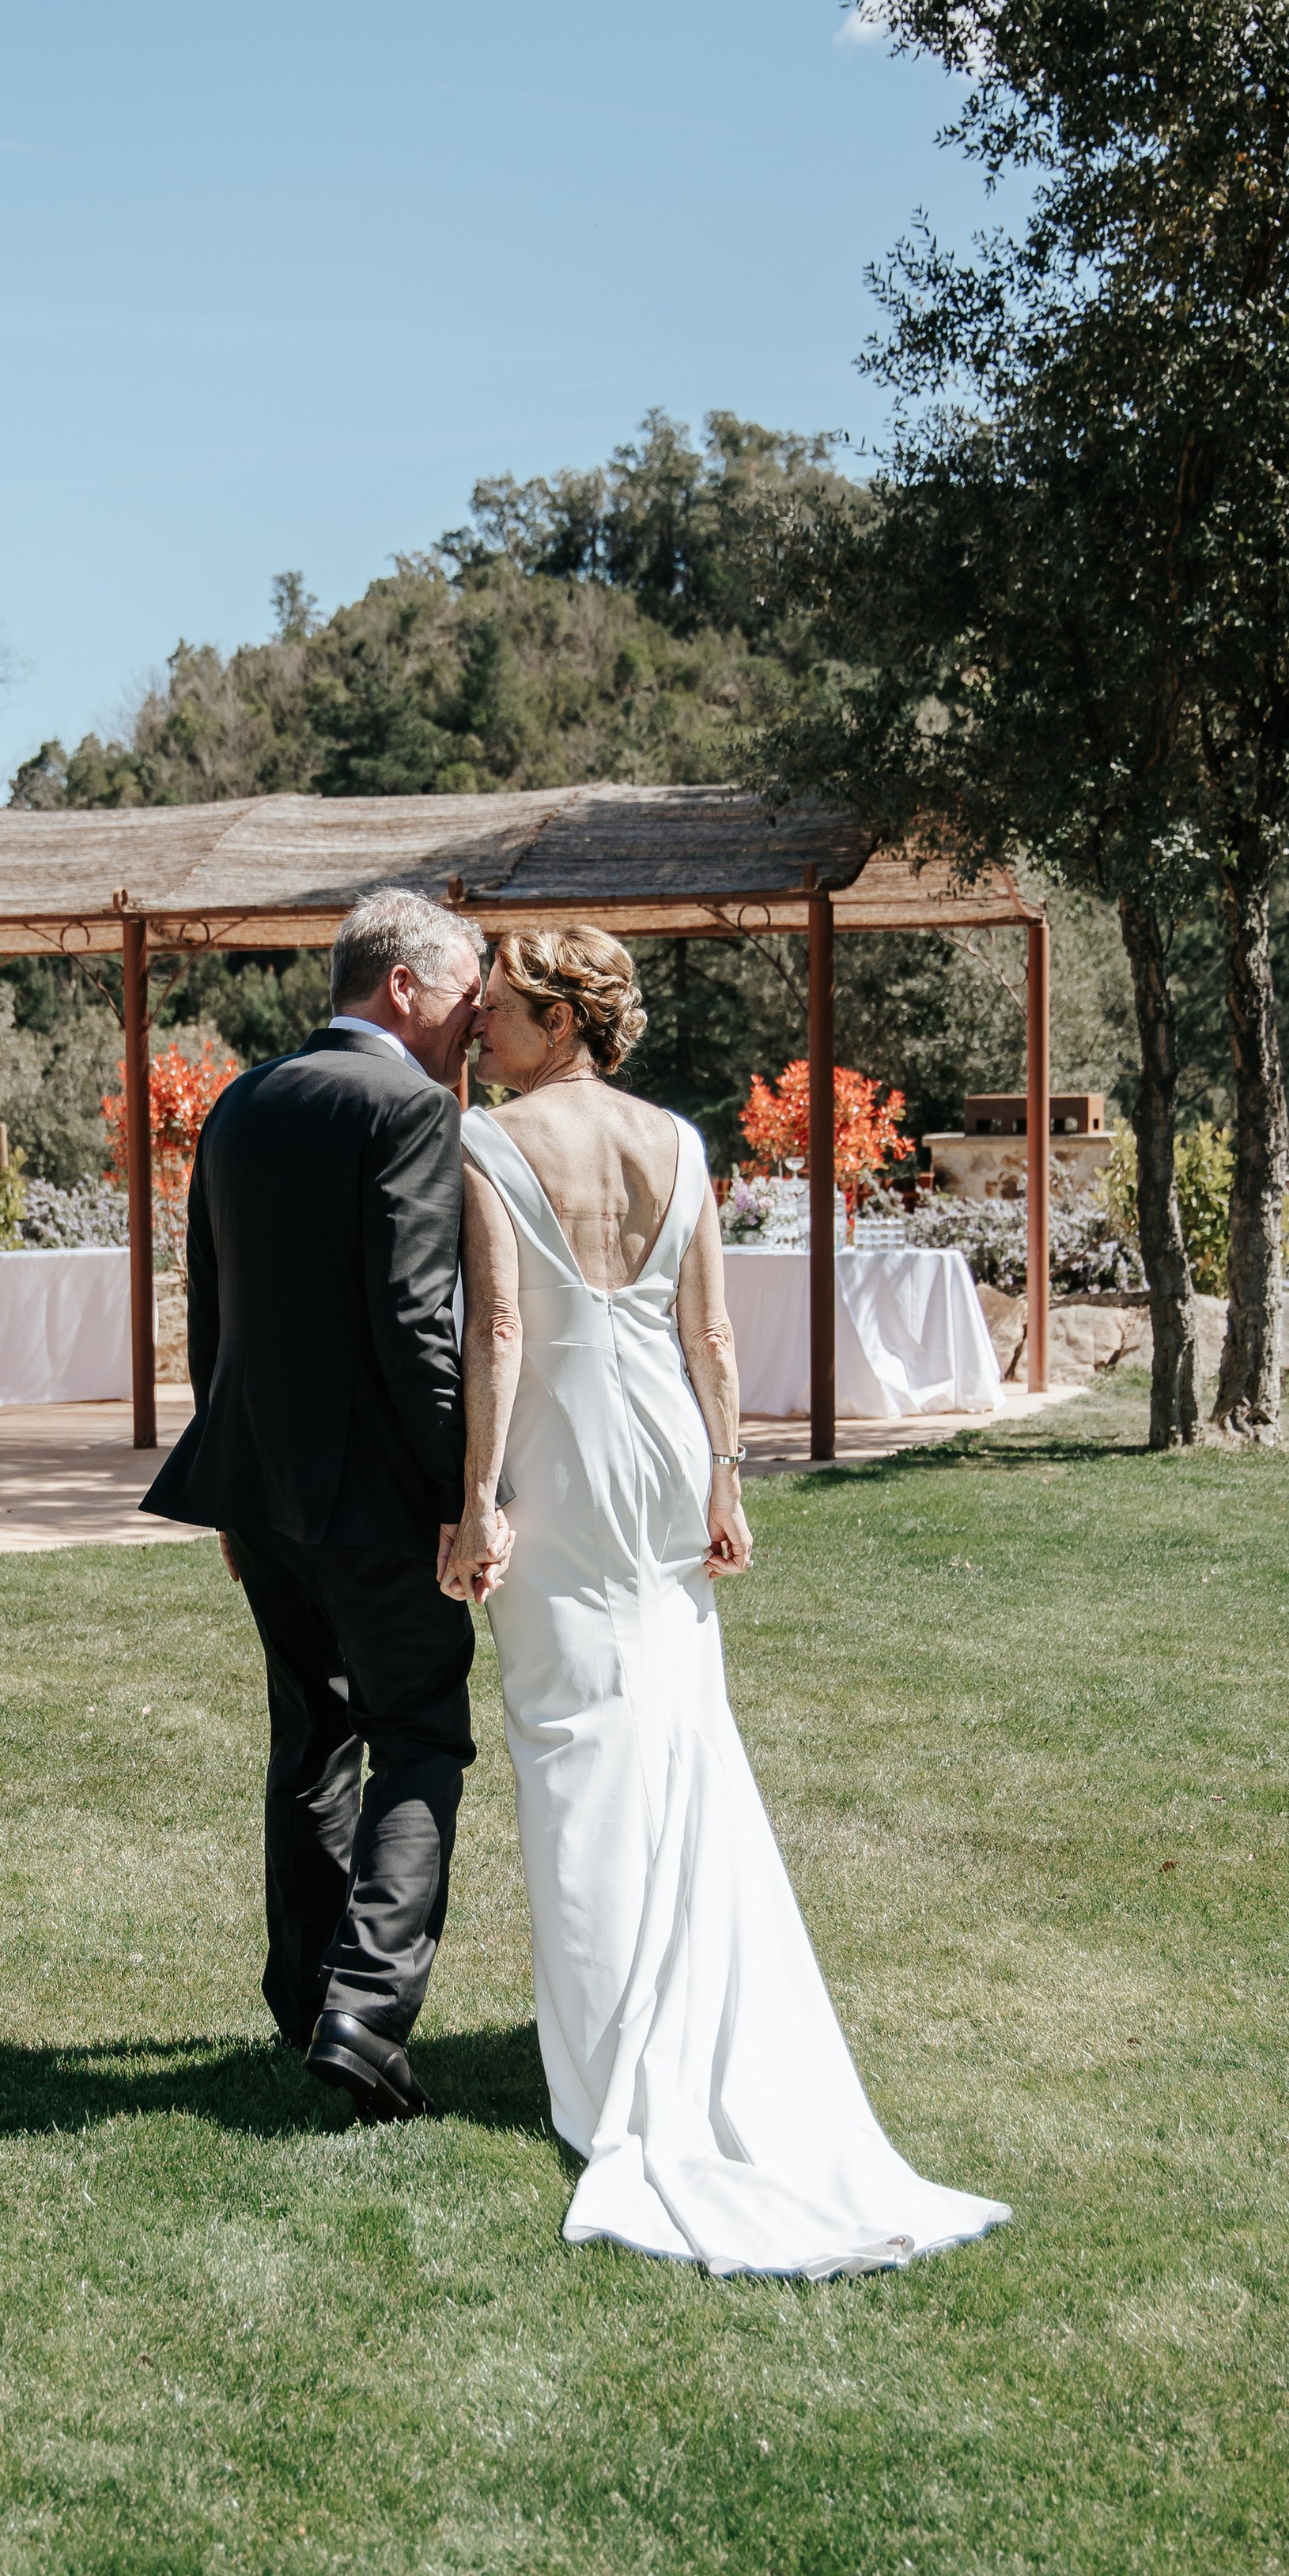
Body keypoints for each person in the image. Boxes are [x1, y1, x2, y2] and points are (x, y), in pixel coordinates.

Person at [441, 924, 1009, 2278]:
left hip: (566, 1459)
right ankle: (681, 2013)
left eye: (505, 1011)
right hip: (662, 1448)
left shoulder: (487, 1144)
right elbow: (710, 1334)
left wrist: (477, 1504)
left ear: (564, 1019)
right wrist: (727, 1479)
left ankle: (609, 2078)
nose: (482, 1030)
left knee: (570, 1741)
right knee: (679, 1730)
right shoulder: (683, 1145)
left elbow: (502, 1332)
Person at [145, 886, 501, 2125]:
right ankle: (366, 2008)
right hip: (371, 1494)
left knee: (310, 1740)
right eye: (468, 996)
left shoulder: (244, 1100)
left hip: (262, 1486)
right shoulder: (407, 1105)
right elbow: (417, 1322)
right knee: (420, 1733)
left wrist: (232, 1493)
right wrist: (468, 1486)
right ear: (403, 987)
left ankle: (304, 1998)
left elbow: (210, 1306)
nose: (478, 1023)